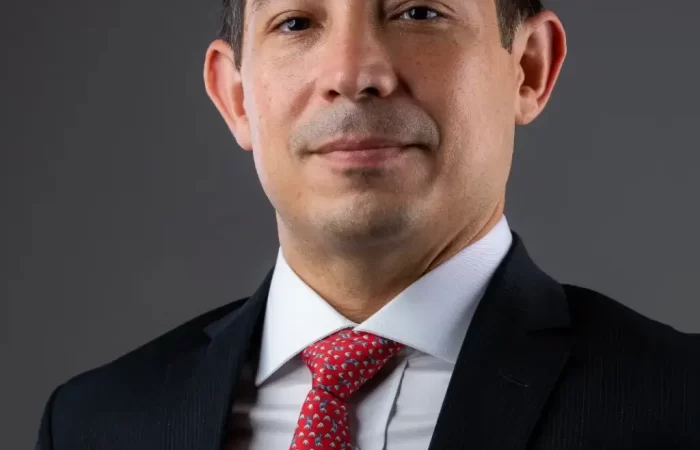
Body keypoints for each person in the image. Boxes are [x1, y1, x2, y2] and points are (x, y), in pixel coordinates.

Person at [36, 0, 699, 449]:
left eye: (419, 12)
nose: (353, 74)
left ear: (529, 68)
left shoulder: (680, 403)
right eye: (296, 22)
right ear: (236, 97)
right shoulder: (93, 424)